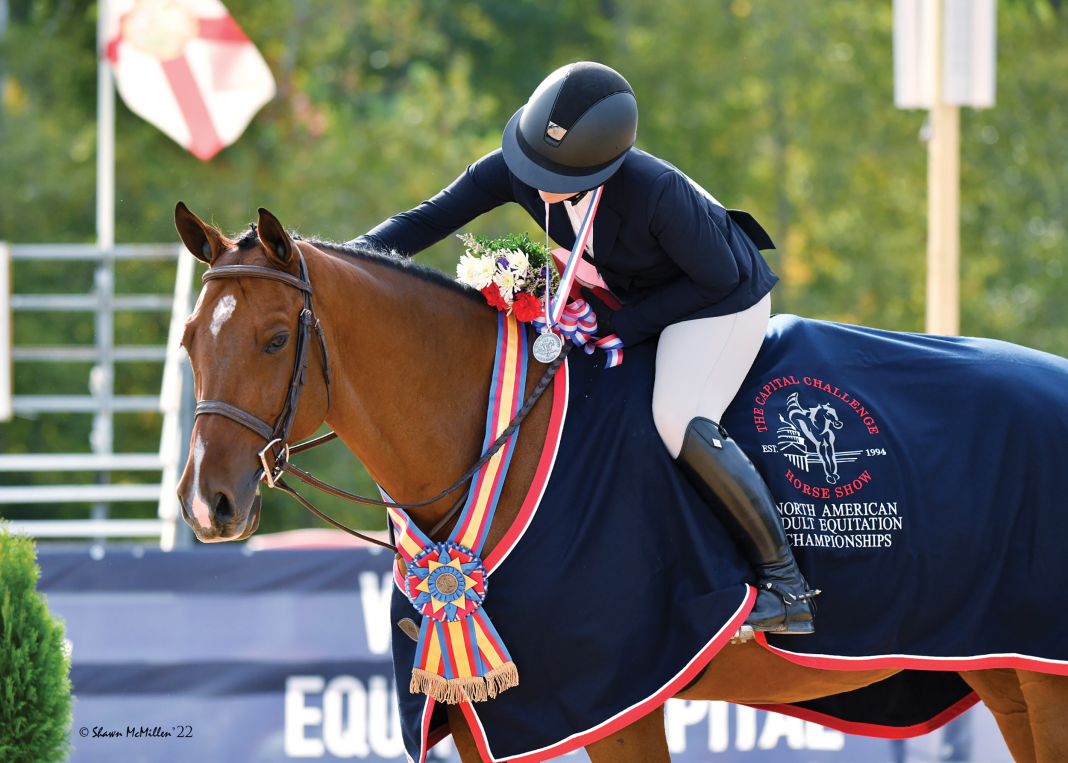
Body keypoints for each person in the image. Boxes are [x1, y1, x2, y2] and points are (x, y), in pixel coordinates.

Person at [351, 62, 818, 633]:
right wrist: (336, 261)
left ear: (607, 166)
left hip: (718, 302)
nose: (537, 182)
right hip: (632, 293)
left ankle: (786, 585)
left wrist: (618, 329)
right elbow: (427, 220)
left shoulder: (654, 192)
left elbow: (716, 280)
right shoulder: (521, 166)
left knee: (676, 416)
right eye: (531, 163)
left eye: (560, 176)